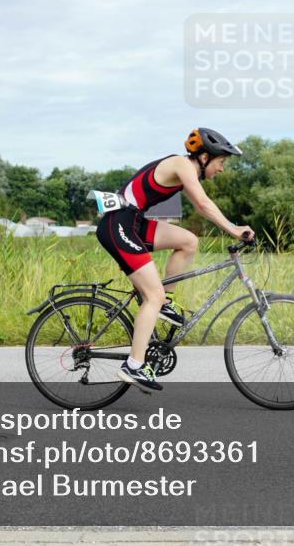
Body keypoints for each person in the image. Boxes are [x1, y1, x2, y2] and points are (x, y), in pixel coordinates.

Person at [95, 128, 254, 393]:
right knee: (152, 296)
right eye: (221, 162)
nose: (222, 169)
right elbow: (203, 204)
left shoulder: (185, 171)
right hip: (118, 224)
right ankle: (134, 365)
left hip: (133, 222)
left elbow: (200, 206)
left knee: (189, 242)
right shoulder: (182, 164)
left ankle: (165, 302)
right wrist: (234, 229)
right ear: (204, 157)